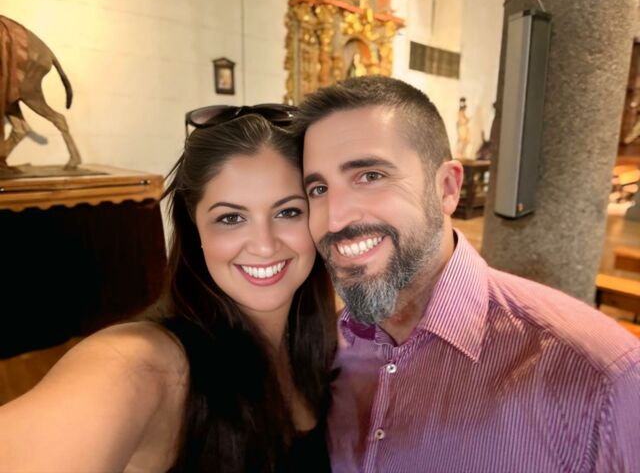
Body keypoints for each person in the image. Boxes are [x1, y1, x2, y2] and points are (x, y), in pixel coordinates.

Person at [293, 76, 640, 472]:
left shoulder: (599, 377)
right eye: (318, 189)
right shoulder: (325, 350)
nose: (335, 219)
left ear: (447, 188)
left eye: (370, 176)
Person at [0, 108, 337, 472]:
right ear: (195, 230)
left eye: (288, 212)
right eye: (230, 218)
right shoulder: (141, 363)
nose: (265, 245)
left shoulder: (325, 341)